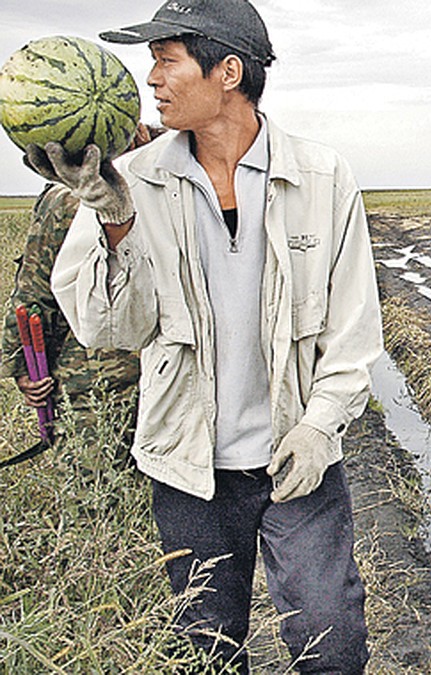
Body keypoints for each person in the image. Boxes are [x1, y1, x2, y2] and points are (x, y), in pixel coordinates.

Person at [34, 0, 383, 671]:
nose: (153, 80)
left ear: (228, 71)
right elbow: (110, 326)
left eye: (166, 61)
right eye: (152, 64)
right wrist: (112, 220)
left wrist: (320, 427)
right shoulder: (131, 180)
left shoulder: (321, 176)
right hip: (188, 471)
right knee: (209, 653)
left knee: (332, 645)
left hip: (296, 457)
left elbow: (351, 331)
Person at [1, 126, 160, 463]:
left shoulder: (174, 177)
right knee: (100, 494)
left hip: (149, 382)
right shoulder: (67, 199)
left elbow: (32, 290)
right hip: (95, 385)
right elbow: (35, 293)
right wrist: (24, 366)